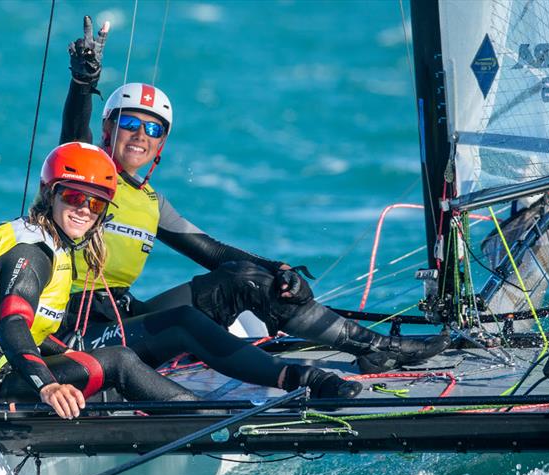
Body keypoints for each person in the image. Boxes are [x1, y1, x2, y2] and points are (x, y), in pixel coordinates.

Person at [56, 17, 449, 385]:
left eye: (153, 128)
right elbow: (73, 134)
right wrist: (82, 82)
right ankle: (293, 375)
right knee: (213, 301)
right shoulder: (84, 176)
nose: (140, 135)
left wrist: (276, 269)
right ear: (107, 129)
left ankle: (375, 348)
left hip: (127, 318)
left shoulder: (150, 201)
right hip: (78, 331)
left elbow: (212, 251)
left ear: (161, 144)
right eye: (128, 123)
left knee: (248, 279)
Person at [0, 142, 201, 419]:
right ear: (50, 195)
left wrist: (72, 354)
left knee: (102, 361)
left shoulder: (53, 242)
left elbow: (36, 331)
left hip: (3, 365)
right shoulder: (31, 253)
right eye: (73, 197)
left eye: (95, 203)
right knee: (119, 361)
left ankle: (170, 418)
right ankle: (205, 419)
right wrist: (48, 386)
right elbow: (12, 326)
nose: (84, 209)